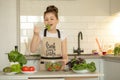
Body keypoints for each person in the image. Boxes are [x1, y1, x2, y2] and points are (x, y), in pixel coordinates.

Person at [30, 5, 68, 69]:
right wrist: (35, 35)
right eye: (46, 19)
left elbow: (64, 54)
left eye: (52, 19)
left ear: (57, 20)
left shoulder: (62, 35)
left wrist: (65, 59)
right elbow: (32, 50)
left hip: (58, 66)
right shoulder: (41, 34)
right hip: (44, 67)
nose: (49, 21)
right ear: (44, 22)